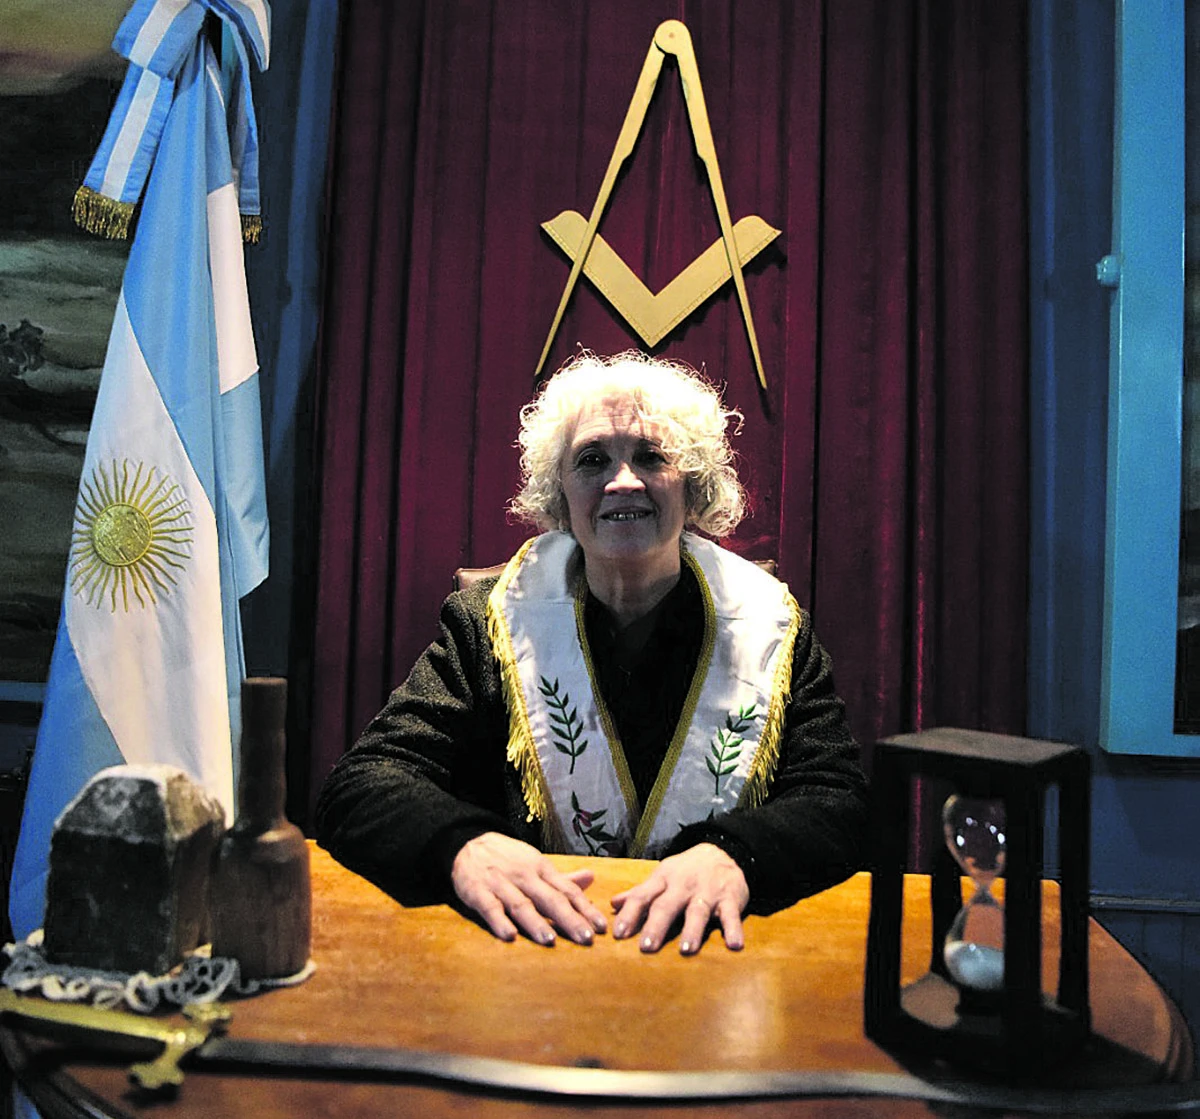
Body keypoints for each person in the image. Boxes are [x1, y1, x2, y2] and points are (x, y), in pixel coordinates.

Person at [315, 351, 867, 955]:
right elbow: (362, 782)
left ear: (694, 486)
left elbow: (840, 801)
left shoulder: (770, 626)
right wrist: (462, 845)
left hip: (710, 947)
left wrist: (738, 854)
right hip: (532, 947)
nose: (623, 480)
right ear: (560, 496)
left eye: (652, 456)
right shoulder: (486, 624)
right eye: (592, 459)